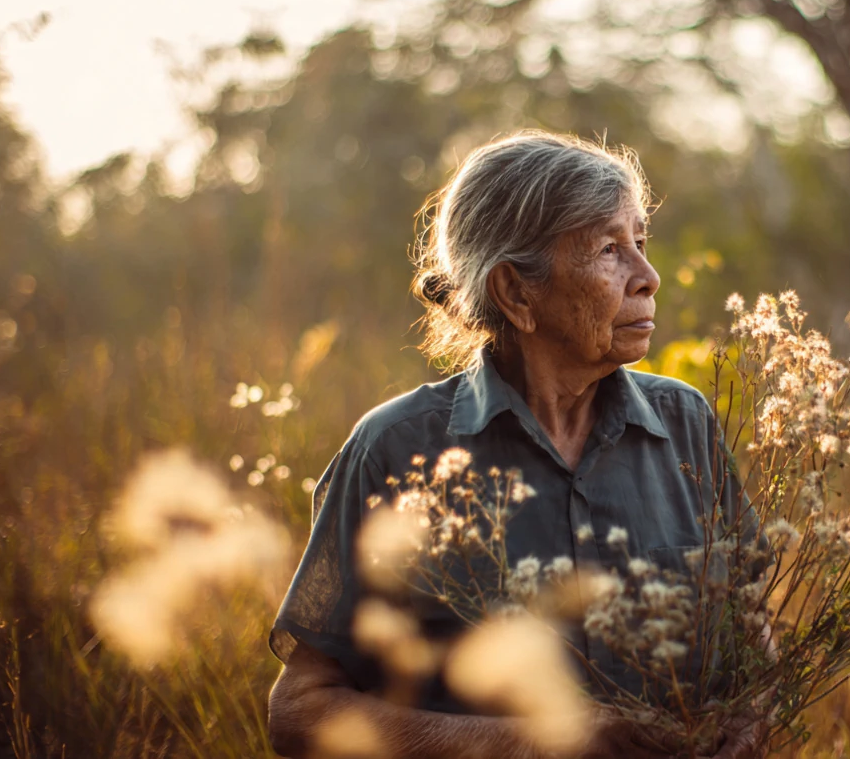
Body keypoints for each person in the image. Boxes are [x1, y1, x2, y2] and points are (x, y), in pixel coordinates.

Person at [266, 132, 768, 759]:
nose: (649, 276)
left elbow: (754, 640)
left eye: (641, 242)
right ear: (515, 293)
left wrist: (748, 727)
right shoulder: (396, 453)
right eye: (610, 249)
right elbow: (300, 713)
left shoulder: (686, 423)